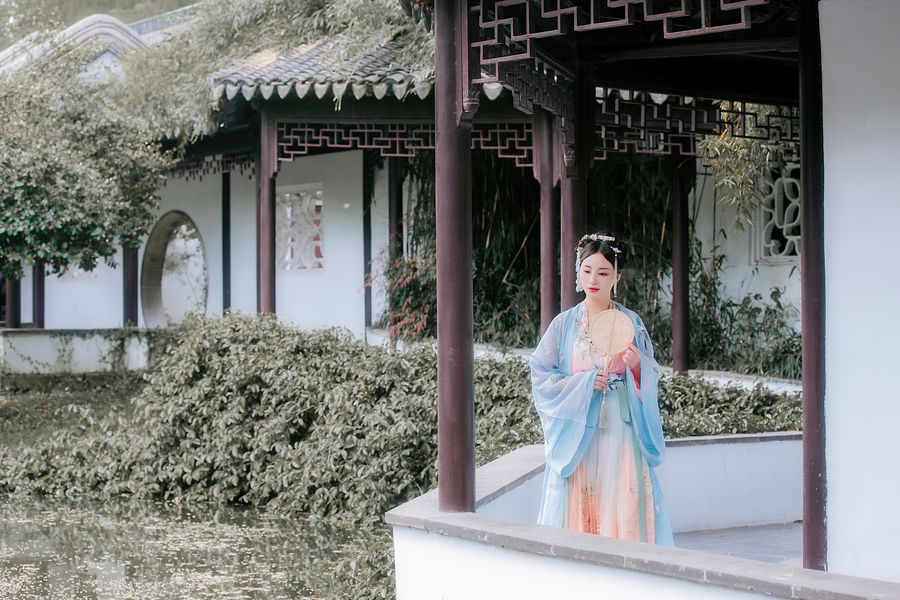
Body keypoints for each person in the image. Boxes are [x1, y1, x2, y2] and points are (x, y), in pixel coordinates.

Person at [530, 231, 673, 545]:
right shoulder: (564, 324)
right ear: (578, 272)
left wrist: (638, 368)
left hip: (621, 429)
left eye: (604, 273)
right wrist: (582, 383)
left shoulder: (631, 323)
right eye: (587, 270)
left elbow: (651, 373)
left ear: (617, 276)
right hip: (579, 430)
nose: (593, 279)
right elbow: (540, 373)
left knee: (620, 497)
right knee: (582, 499)